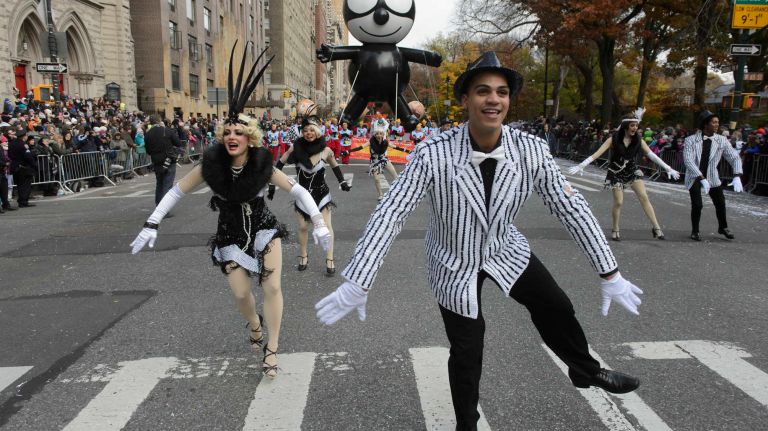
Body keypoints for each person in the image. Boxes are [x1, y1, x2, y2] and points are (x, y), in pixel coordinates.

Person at [315, 52, 643, 431]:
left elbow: (572, 208)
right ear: (465, 100)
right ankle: (466, 425)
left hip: (505, 249)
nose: (493, 99)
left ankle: (585, 371)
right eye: (483, 90)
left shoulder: (531, 150)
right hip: (453, 260)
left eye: (502, 92)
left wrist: (609, 272)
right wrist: (359, 279)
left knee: (556, 306)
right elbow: (392, 212)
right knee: (469, 350)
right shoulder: (432, 153)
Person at [131, 43, 332, 378]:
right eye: (227, 131)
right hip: (229, 234)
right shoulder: (211, 164)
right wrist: (151, 223)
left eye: (239, 131)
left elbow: (296, 189)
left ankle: (272, 348)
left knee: (272, 287)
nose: (231, 136)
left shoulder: (261, 163)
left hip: (264, 229)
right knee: (241, 294)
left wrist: (319, 224)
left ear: (249, 137)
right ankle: (255, 324)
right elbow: (176, 192)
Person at [569, 108, 680, 241]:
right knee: (619, 202)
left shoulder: (639, 140)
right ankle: (615, 228)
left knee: (644, 197)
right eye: (632, 125)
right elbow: (596, 154)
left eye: (636, 125)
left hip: (632, 171)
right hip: (616, 172)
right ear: (626, 126)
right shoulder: (613, 139)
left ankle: (656, 228)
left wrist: (668, 168)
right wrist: (582, 165)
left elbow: (652, 155)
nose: (635, 128)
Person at [270, 115, 351, 275]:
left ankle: (329, 259)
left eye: (311, 130)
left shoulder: (326, 150)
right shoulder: (295, 148)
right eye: (305, 130)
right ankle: (303, 255)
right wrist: (272, 184)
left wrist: (342, 182)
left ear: (318, 132)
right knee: (302, 227)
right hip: (302, 196)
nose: (308, 133)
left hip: (322, 195)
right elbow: (280, 163)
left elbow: (335, 166)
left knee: (327, 227)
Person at [684, 111, 744, 241]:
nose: (717, 125)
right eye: (714, 122)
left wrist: (737, 175)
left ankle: (723, 227)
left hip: (712, 176)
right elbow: (688, 161)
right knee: (697, 204)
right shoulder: (690, 140)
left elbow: (734, 157)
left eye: (717, 122)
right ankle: (695, 231)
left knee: (720, 202)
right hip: (694, 175)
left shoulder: (721, 140)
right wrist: (701, 178)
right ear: (705, 124)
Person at [341, 118, 411, 201]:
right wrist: (348, 151)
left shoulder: (386, 142)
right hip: (374, 162)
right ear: (375, 134)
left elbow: (397, 148)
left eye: (381, 134)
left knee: (396, 176)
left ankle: (399, 192)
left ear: (383, 134)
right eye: (377, 134)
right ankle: (381, 194)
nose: (379, 135)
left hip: (384, 160)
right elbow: (360, 147)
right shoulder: (371, 141)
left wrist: (408, 151)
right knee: (377, 179)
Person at [144, 115, 181, 204]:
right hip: (168, 160)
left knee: (159, 184)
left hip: (156, 161)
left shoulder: (148, 134)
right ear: (159, 121)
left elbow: (148, 151)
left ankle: (158, 206)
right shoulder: (167, 130)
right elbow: (178, 143)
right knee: (167, 185)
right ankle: (165, 209)